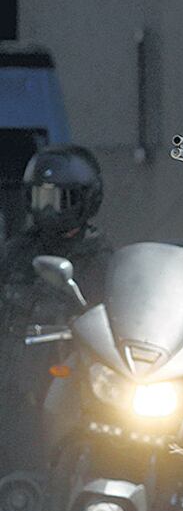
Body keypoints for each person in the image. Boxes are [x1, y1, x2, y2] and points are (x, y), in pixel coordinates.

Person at [0, 145, 111, 475]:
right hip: (13, 382)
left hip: (69, 384)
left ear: (86, 200)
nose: (48, 210)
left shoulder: (101, 257)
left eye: (60, 200)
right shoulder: (17, 251)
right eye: (41, 199)